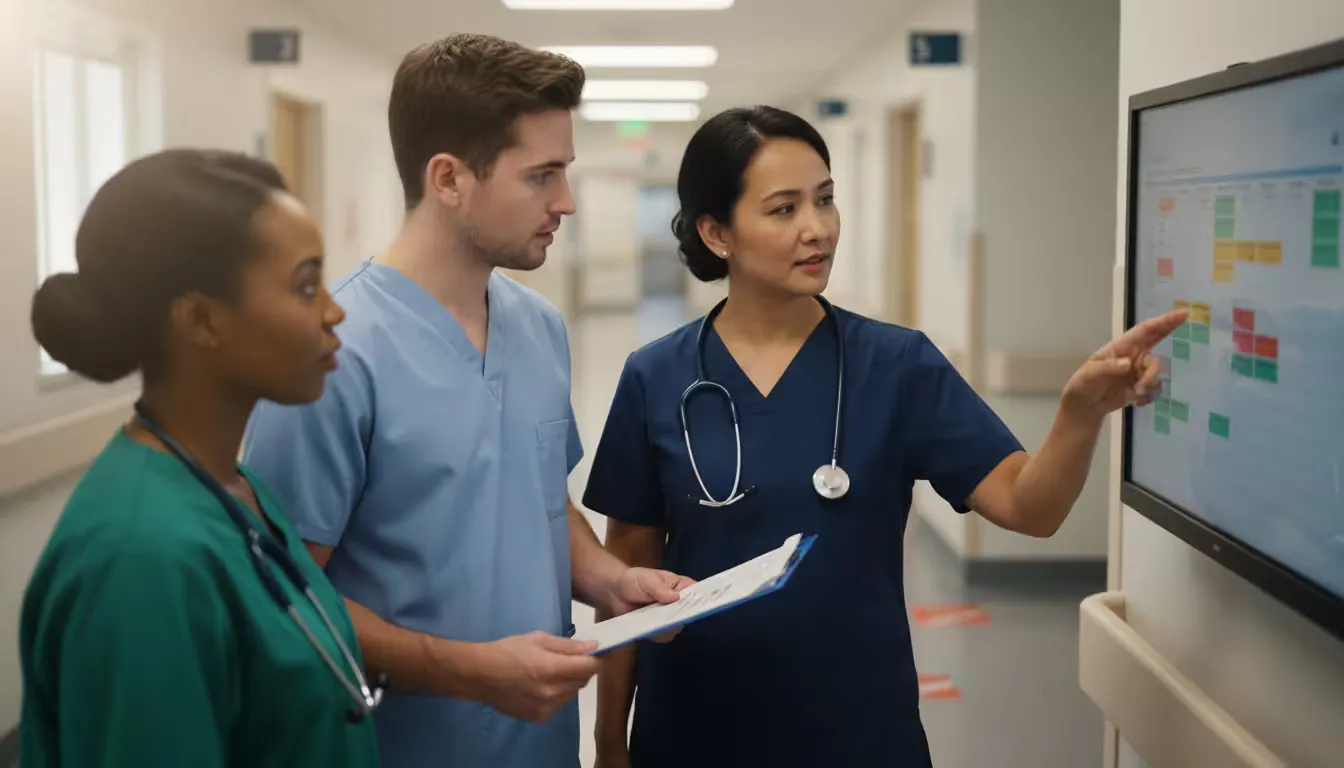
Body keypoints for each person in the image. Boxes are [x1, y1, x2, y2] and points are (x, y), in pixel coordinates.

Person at [583, 105, 1186, 768]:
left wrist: (1079, 414)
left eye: (825, 199)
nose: (817, 228)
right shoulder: (657, 376)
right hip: (694, 729)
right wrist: (609, 738)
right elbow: (627, 574)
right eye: (784, 209)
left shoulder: (898, 365)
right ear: (717, 232)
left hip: (857, 726)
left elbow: (1029, 508)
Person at [240, 33, 693, 768]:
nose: (566, 202)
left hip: (542, 746)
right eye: (541, 176)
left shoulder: (538, 327)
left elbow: (541, 503)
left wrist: (612, 581)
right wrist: (471, 672)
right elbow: (282, 595)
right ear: (449, 178)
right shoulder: (332, 354)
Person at [18, 148, 380, 768]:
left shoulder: (236, 488)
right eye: (305, 285)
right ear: (202, 320)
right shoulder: (141, 560)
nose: (333, 310)